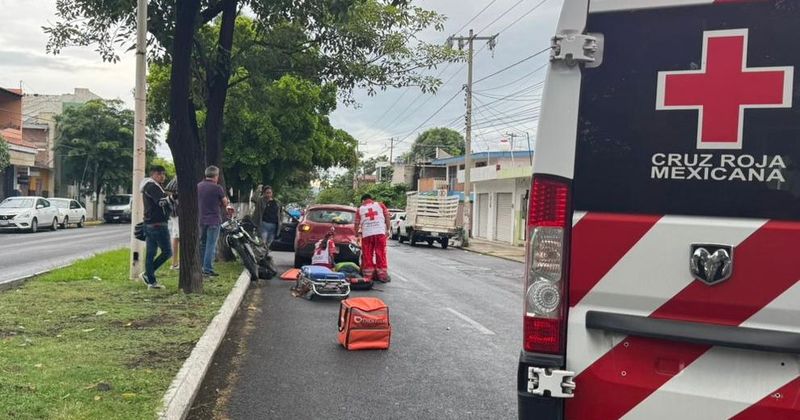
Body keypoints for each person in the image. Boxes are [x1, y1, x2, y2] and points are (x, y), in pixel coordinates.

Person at [140, 165, 172, 289]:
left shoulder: (149, 186)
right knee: (167, 252)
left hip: (149, 223)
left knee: (151, 253)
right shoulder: (152, 186)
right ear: (152, 174)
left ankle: (151, 280)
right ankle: (149, 275)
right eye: (159, 174)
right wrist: (171, 198)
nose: (162, 176)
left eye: (163, 174)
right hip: (158, 224)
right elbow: (160, 202)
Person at [197, 165, 229, 277]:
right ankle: (208, 269)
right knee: (211, 244)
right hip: (214, 220)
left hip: (201, 219)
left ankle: (200, 267)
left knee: (203, 244)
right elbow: (225, 203)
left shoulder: (199, 186)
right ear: (216, 176)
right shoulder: (217, 188)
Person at [354, 193, 391, 282]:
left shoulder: (360, 209)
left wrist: (356, 234)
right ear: (371, 199)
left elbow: (356, 224)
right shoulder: (380, 205)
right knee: (381, 254)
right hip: (380, 233)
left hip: (367, 234)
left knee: (367, 255)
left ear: (363, 200)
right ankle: (382, 275)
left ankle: (368, 276)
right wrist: (388, 229)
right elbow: (387, 217)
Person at [168, 190, 180, 270]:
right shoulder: (178, 182)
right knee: (177, 237)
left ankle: (175, 262)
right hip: (177, 214)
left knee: (176, 237)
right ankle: (175, 263)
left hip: (174, 213)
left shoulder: (172, 184)